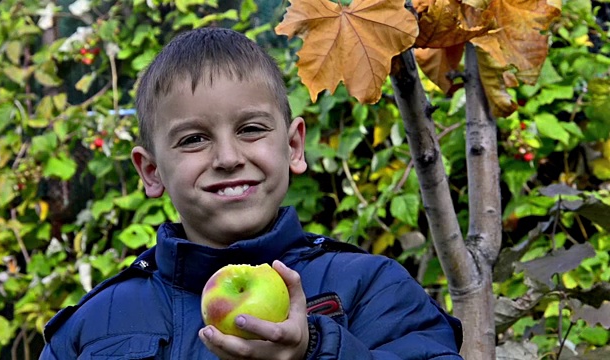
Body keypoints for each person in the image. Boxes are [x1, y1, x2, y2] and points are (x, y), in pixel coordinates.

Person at [40, 27, 463, 359]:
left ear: (294, 146)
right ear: (151, 171)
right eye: (193, 140)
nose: (227, 157)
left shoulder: (370, 287)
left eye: (251, 129)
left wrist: (314, 350)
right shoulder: (94, 326)